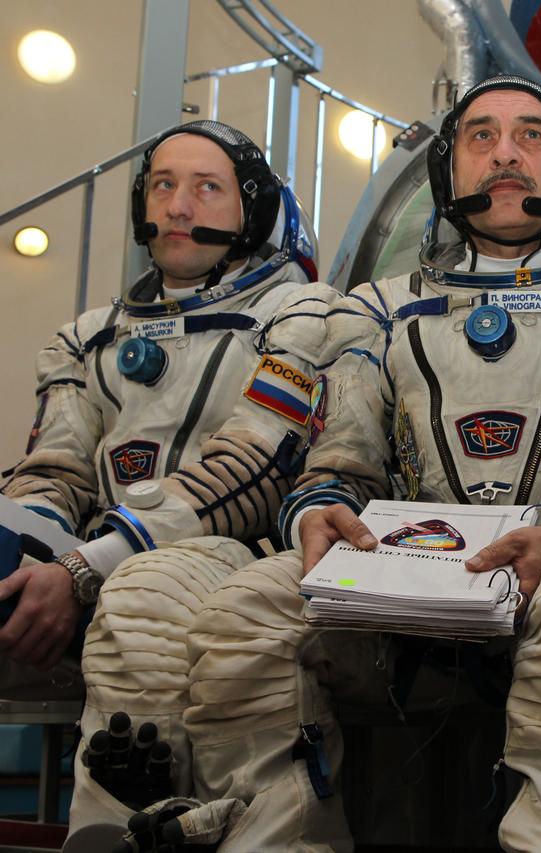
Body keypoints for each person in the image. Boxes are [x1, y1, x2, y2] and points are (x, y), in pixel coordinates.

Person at [95, 75, 541, 852]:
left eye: (530, 136)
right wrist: (316, 509)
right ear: (446, 171)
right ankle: (266, 832)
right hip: (404, 577)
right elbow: (340, 462)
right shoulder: (376, 310)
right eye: (479, 138)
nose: (504, 155)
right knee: (249, 608)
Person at [1, 120, 339, 836]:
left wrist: (87, 565)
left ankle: (129, 824)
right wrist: (23, 546)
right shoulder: (87, 337)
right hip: (89, 563)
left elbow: (257, 461)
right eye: (162, 185)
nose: (178, 207)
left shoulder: (304, 314)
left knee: (140, 600)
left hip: (237, 553)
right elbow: (54, 470)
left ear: (255, 211)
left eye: (206, 187)